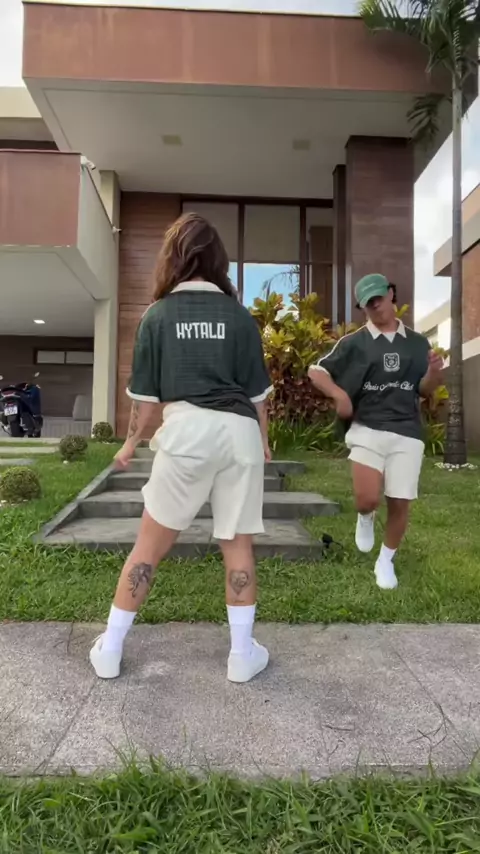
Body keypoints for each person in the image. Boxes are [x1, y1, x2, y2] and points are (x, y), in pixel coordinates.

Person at [90, 213, 273, 683]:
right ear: (218, 260)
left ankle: (110, 649)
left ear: (172, 257)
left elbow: (145, 401)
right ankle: (241, 657)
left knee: (148, 547)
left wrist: (130, 443)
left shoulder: (157, 315)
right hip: (239, 435)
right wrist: (264, 442)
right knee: (238, 545)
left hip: (187, 432)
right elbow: (258, 397)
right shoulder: (240, 317)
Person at [308, 273, 444, 590]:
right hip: (367, 427)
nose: (375, 306)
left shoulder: (417, 343)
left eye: (378, 299)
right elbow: (316, 370)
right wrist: (339, 395)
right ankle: (365, 516)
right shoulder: (354, 343)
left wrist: (434, 374)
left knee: (400, 502)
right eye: (368, 303)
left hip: (407, 431)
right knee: (367, 498)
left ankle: (385, 561)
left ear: (390, 294)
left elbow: (423, 389)